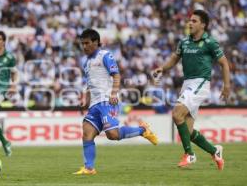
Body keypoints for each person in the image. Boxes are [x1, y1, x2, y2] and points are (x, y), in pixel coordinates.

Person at [73, 29, 158, 175]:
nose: (84, 46)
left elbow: (116, 75)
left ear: (95, 42)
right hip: (94, 104)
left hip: (107, 100)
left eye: (87, 43)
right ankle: (89, 168)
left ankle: (143, 131)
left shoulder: (105, 55)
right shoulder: (86, 62)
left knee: (113, 135)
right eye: (82, 44)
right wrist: (85, 101)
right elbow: (90, 84)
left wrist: (113, 93)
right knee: (87, 133)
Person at [154, 10, 230, 170]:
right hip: (187, 84)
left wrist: (227, 85)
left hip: (201, 83)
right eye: (190, 20)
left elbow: (224, 63)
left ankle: (189, 154)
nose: (190, 23)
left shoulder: (210, 42)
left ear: (203, 24)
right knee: (187, 131)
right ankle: (215, 151)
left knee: (176, 114)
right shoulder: (184, 42)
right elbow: (175, 58)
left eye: (194, 21)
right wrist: (162, 68)